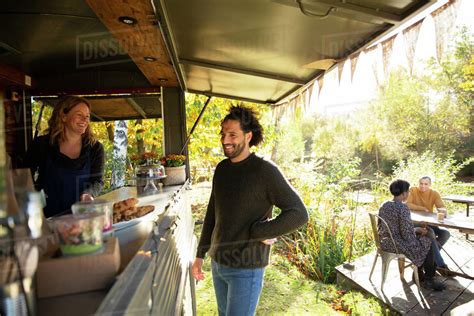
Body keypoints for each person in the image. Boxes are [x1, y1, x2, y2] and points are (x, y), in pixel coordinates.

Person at [191, 105, 308, 315]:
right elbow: (212, 215)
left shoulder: (265, 170)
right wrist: (200, 255)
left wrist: (263, 231)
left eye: (233, 134)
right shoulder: (222, 169)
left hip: (246, 269)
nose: (225, 140)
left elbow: (298, 212)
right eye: (223, 134)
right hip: (218, 264)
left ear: (248, 136)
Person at [24, 96, 105, 218]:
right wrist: (36, 198)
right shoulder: (41, 144)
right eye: (79, 115)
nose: (85, 119)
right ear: (63, 116)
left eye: (87, 116)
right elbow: (24, 176)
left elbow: (97, 181)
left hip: (81, 217)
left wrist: (88, 194)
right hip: (46, 218)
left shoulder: (95, 148)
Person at [378, 179, 445, 291]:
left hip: (385, 241)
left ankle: (421, 273)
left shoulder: (385, 204)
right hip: (395, 244)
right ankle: (429, 279)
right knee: (428, 240)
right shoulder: (403, 207)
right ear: (404, 193)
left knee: (425, 239)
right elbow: (406, 235)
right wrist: (417, 229)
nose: (408, 193)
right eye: (408, 191)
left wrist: (415, 227)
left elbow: (389, 225)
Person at [406, 176, 451, 271]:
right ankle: (441, 265)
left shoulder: (434, 193)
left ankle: (429, 258)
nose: (423, 186)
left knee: (445, 234)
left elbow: (441, 206)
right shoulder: (412, 190)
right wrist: (423, 208)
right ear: (418, 184)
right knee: (431, 234)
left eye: (426, 184)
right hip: (415, 223)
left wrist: (443, 210)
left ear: (430, 185)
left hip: (429, 222)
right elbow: (407, 204)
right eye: (421, 184)